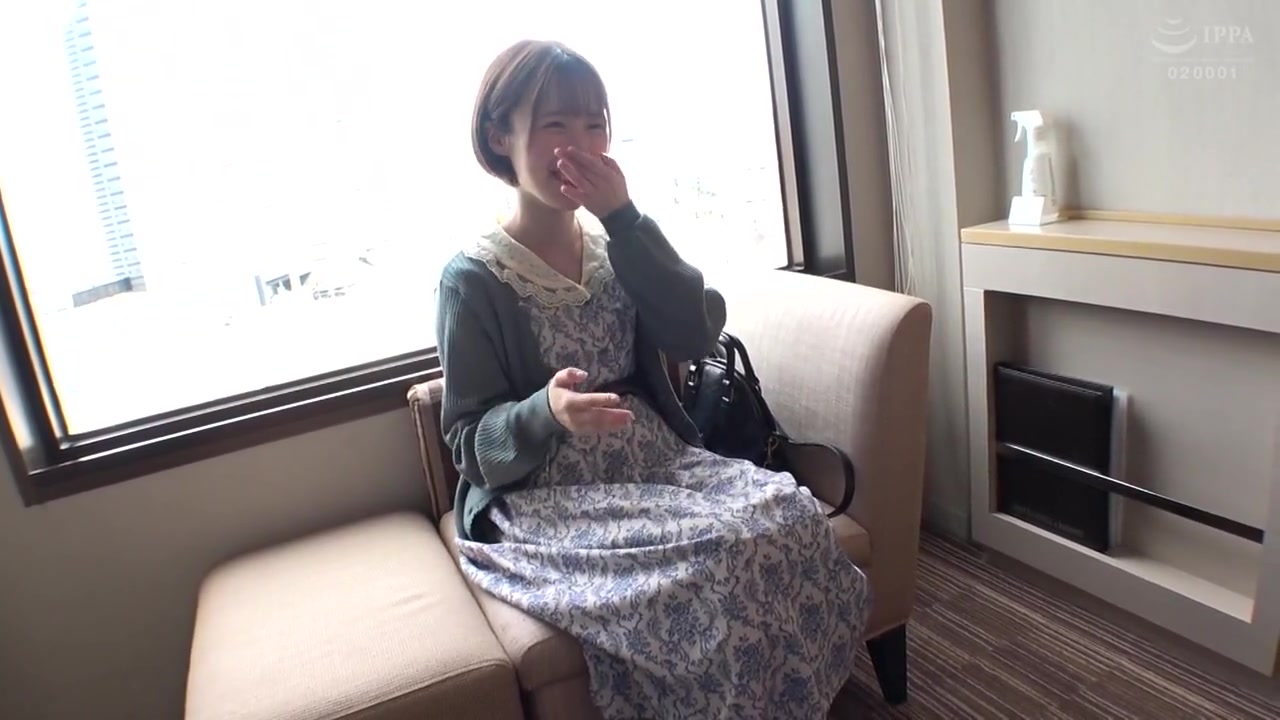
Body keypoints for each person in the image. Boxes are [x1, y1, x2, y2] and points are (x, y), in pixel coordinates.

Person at [436, 38, 870, 719]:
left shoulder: (619, 244)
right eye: (554, 124)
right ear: (499, 136)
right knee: (717, 555)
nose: (578, 144)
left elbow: (693, 334)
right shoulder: (473, 279)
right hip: (551, 494)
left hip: (657, 464)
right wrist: (546, 411)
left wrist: (624, 217)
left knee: (788, 514)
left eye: (594, 125)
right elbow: (467, 440)